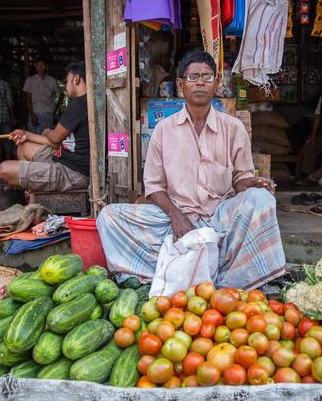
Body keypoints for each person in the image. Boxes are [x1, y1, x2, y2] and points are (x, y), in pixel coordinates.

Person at [97, 50, 286, 290]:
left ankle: (230, 280)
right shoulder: (164, 130)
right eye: (192, 77)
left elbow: (241, 180)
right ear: (180, 84)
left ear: (217, 83)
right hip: (176, 219)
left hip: (221, 218)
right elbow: (154, 188)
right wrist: (177, 217)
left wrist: (252, 184)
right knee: (109, 217)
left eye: (207, 77)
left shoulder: (233, 128)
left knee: (261, 199)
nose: (199, 82)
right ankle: (178, 270)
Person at [0, 61, 89, 192]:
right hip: (63, 159)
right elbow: (56, 143)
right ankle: (35, 189)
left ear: (76, 79)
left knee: (3, 169)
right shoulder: (83, 102)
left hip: (73, 173)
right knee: (23, 147)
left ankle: (36, 194)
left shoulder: (79, 104)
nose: (66, 86)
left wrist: (46, 132)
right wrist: (26, 134)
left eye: (67, 81)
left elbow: (55, 139)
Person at [23, 58, 63, 134]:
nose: (41, 67)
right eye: (39, 65)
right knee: (34, 137)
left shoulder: (52, 80)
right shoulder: (30, 80)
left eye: (43, 65)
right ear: (36, 66)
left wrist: (55, 109)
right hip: (35, 113)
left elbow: (61, 95)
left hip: (48, 114)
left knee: (48, 138)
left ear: (46, 66)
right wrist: (31, 114)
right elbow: (28, 98)